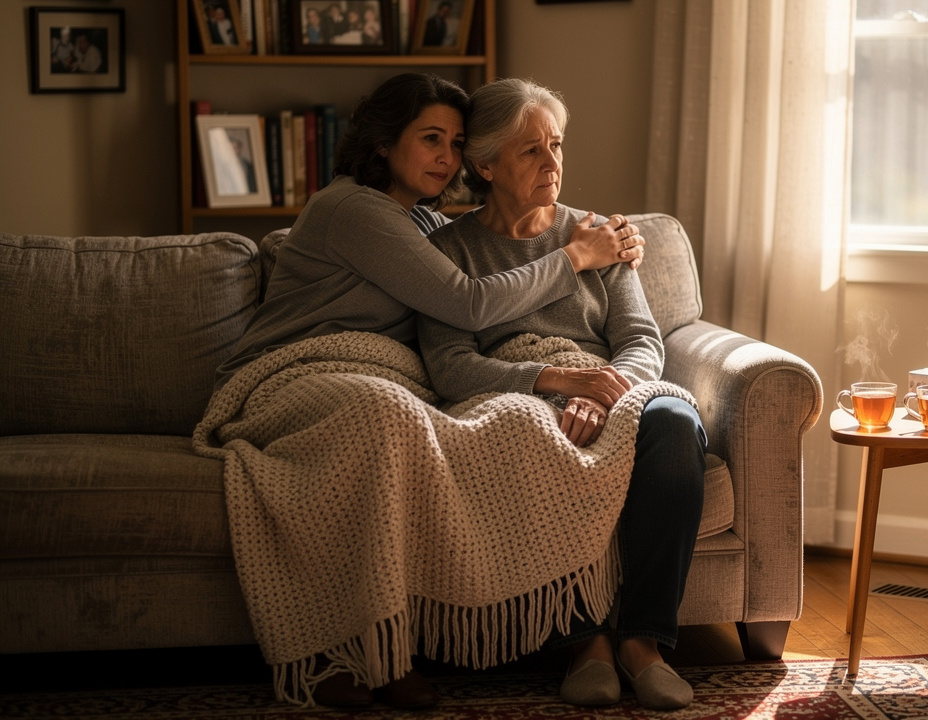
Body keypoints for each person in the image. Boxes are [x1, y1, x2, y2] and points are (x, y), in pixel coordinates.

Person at [211, 73, 645, 709]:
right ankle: (357, 653)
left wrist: (589, 245)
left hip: (367, 377)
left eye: (456, 143)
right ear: (386, 144)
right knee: (387, 413)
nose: (448, 158)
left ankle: (397, 643)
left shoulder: (422, 220)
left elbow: (493, 265)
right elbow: (463, 302)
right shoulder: (353, 208)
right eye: (431, 140)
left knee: (422, 420)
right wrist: (575, 259)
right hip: (288, 374)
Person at [418, 78, 705, 711]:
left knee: (674, 422)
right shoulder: (448, 252)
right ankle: (585, 643)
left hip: (608, 385)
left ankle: (643, 642)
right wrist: (555, 384)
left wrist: (604, 392)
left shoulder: (600, 235)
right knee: (530, 429)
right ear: (484, 164)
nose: (554, 165)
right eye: (531, 152)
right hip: (519, 394)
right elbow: (451, 367)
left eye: (557, 145)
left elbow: (639, 339)